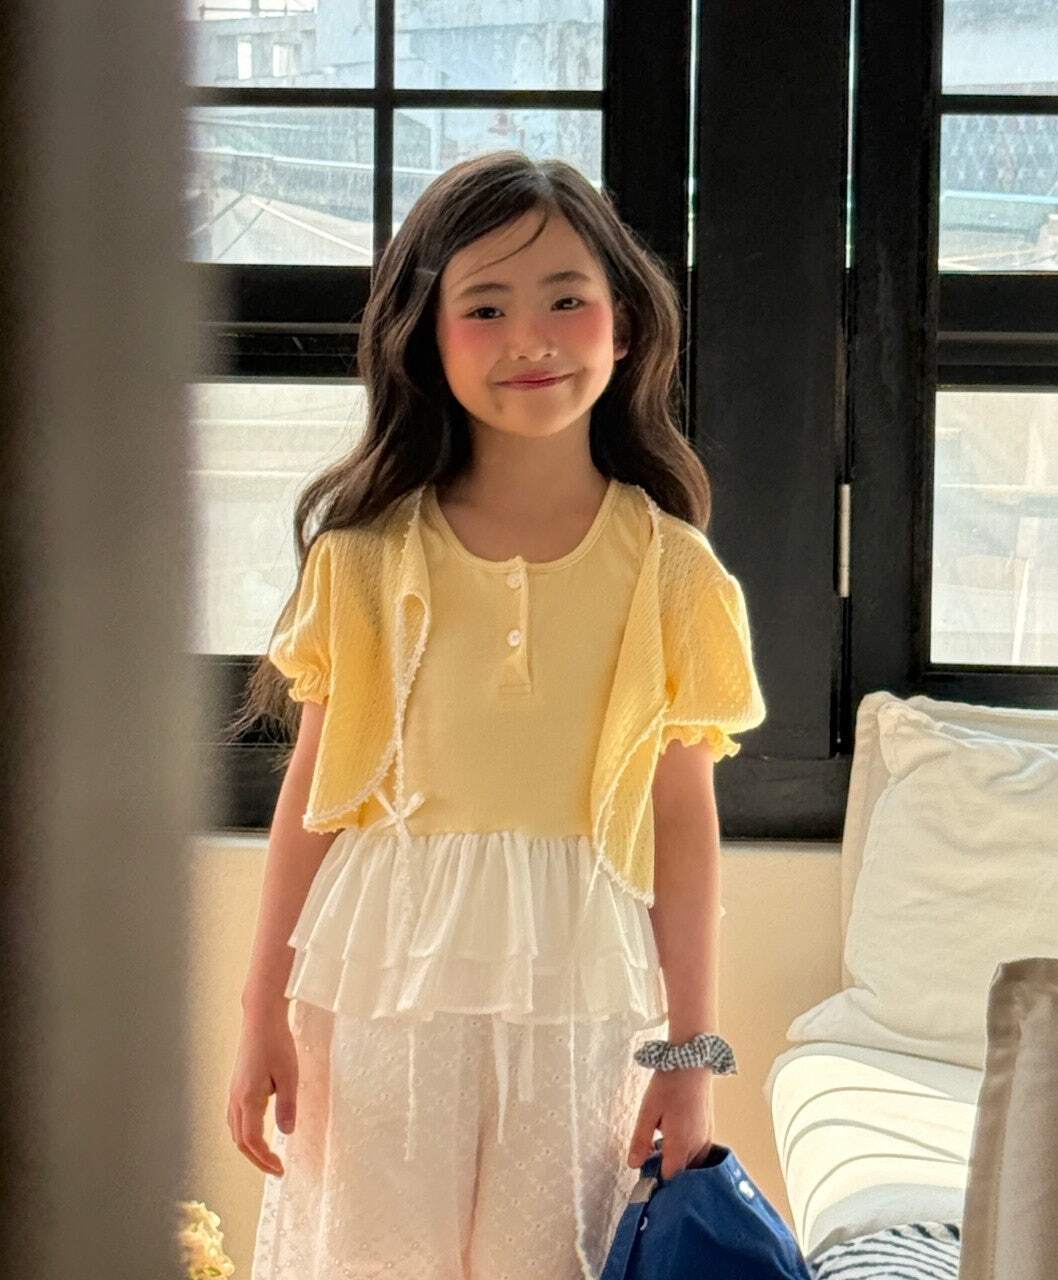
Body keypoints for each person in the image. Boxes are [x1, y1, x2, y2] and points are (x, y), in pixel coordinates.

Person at [225, 149, 767, 1280]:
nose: (531, 338)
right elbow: (313, 800)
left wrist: (693, 1057)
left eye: (566, 299)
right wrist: (258, 1010)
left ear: (624, 325)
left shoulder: (671, 571)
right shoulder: (364, 560)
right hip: (380, 975)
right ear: (426, 337)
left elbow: (681, 823)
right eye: (483, 306)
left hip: (580, 988)